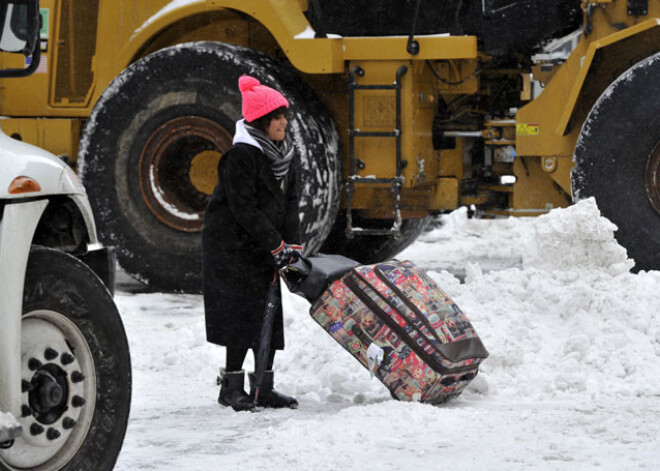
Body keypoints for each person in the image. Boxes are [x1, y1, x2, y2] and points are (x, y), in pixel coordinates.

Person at [202, 75, 303, 412]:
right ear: (260, 121)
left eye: (285, 116)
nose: (284, 123)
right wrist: (275, 244)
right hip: (233, 247)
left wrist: (294, 245)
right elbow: (244, 209)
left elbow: (290, 205)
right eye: (277, 117)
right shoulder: (240, 157)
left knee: (268, 314)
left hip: (264, 244)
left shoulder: (287, 156)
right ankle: (231, 387)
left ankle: (263, 387)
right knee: (240, 315)